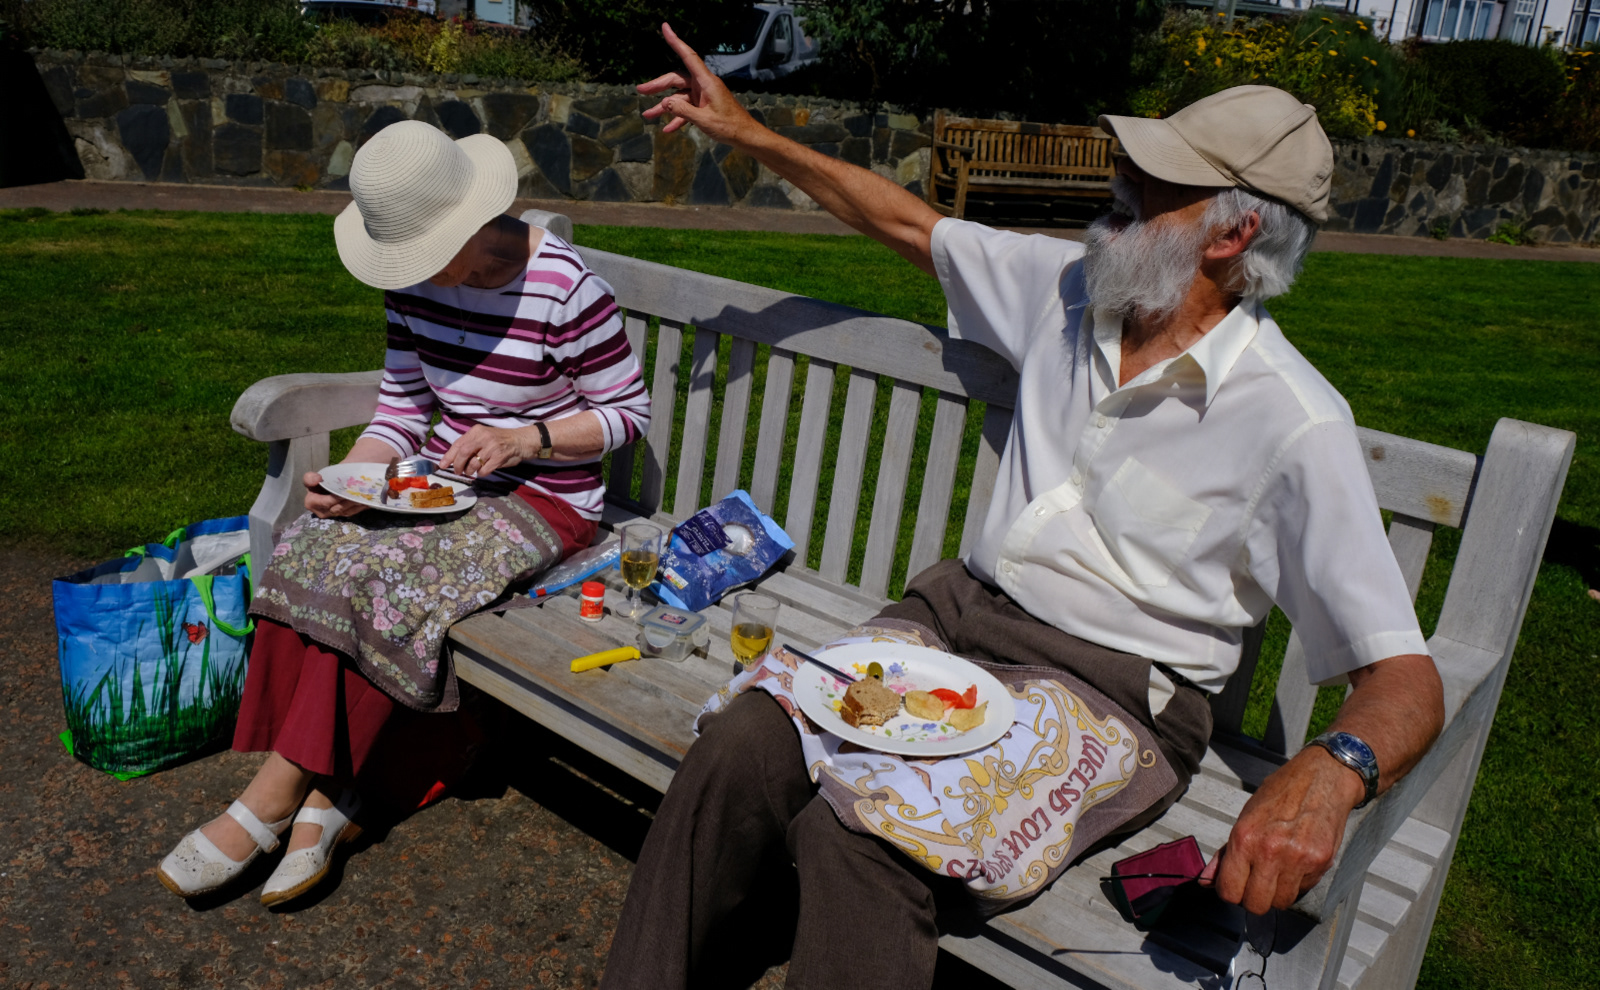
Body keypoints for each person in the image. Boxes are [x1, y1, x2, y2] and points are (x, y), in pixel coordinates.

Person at [596, 25, 1446, 990]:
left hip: (1109, 695)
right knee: (742, 745)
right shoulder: (1073, 289)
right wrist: (750, 135)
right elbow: (915, 227)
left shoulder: (1292, 420)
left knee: (868, 837)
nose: (1120, 179)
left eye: (1155, 180)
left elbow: (1404, 676)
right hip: (950, 619)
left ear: (1232, 232)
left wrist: (1331, 773)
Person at [156, 120, 650, 907]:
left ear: (467, 227)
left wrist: (528, 438)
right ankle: (331, 794)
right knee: (316, 546)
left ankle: (274, 796)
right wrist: (352, 480)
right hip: (439, 480)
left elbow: (627, 414)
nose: (409, 273)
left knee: (389, 579)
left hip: (545, 498)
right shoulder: (414, 283)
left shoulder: (566, 288)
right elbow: (403, 405)